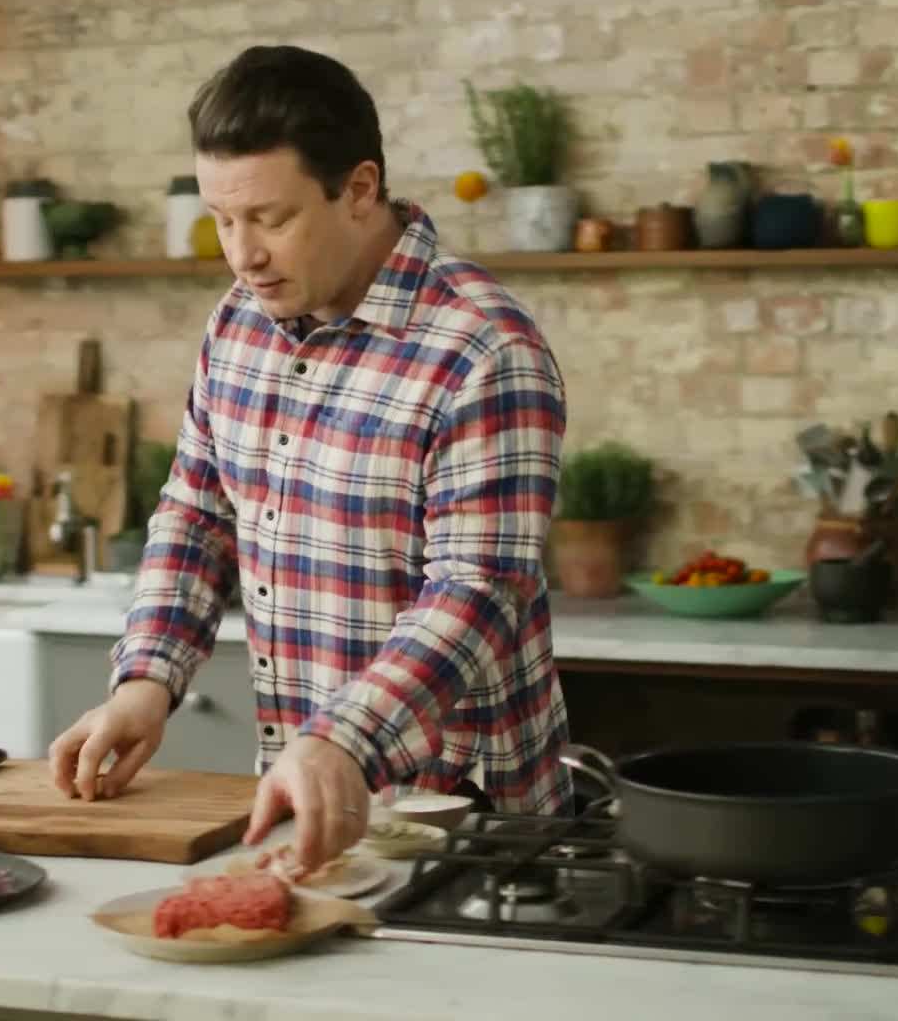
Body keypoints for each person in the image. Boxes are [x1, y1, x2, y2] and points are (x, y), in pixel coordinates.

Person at [47, 44, 571, 873]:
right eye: (222, 219)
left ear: (360, 189)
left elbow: (477, 588)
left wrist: (344, 739)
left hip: (465, 821)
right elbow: (197, 512)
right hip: (305, 797)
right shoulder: (239, 324)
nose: (241, 253)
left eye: (271, 218)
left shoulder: (480, 349)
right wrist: (145, 680)